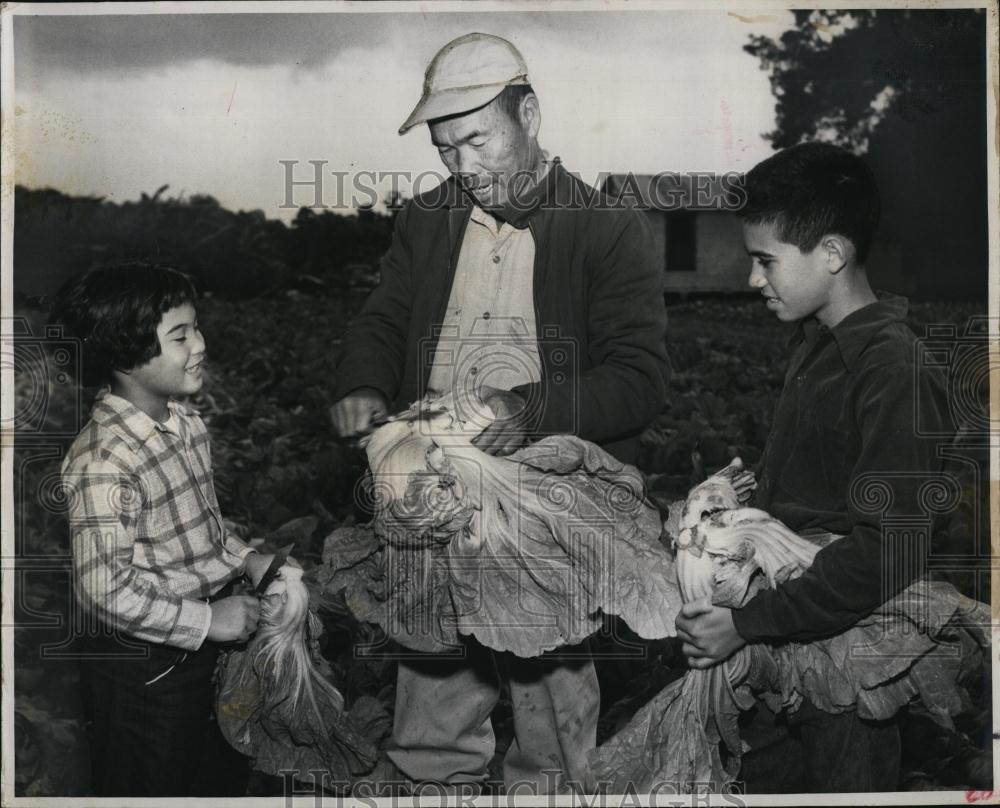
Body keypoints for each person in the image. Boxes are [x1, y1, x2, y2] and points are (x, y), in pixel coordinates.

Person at [329, 33, 669, 793]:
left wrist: (533, 408)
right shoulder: (429, 219)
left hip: (543, 502)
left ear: (531, 114)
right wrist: (363, 382)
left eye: (479, 139)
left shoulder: (606, 227)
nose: (464, 167)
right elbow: (384, 318)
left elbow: (639, 378)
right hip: (440, 489)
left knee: (550, 712)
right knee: (433, 701)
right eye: (446, 149)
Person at [675, 142, 952, 792]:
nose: (753, 280)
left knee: (841, 787)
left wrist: (743, 625)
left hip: (849, 665)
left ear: (831, 253)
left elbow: (890, 550)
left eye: (766, 261)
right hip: (786, 634)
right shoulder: (815, 346)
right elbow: (803, 483)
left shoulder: (895, 370)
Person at [53, 263, 286, 797]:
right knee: (150, 781)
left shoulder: (185, 424)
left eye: (196, 327)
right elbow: (103, 587)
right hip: (144, 669)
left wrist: (244, 558)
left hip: (206, 647)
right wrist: (207, 621)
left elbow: (199, 525)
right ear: (124, 354)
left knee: (214, 773)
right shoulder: (103, 461)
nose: (199, 344)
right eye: (179, 336)